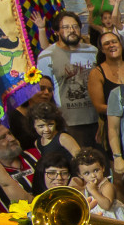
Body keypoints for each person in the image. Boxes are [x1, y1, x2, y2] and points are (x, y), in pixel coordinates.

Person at [39, 12, 99, 147]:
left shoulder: (92, 51)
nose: (72, 30)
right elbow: (44, 93)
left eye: (75, 26)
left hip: (96, 120)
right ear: (56, 32)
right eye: (66, 27)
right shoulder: (47, 55)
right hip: (69, 123)